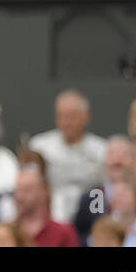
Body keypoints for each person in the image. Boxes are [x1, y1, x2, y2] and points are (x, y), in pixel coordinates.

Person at [29, 89, 107, 223]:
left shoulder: (102, 149)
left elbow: (107, 188)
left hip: (90, 214)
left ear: (86, 117)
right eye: (61, 116)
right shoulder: (39, 146)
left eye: (72, 116)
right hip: (50, 214)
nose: (66, 122)